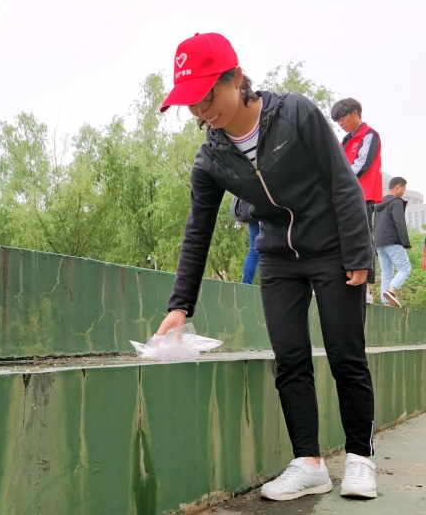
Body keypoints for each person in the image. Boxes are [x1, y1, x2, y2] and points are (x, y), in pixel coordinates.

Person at [157, 33, 377, 501]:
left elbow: (342, 180)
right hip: (277, 257)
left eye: (208, 96)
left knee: (346, 354)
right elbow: (198, 231)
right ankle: (309, 463)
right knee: (290, 360)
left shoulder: (295, 113)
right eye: (191, 104)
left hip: (333, 249)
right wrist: (179, 306)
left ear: (236, 78)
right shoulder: (211, 157)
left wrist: (359, 253)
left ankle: (360, 457)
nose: (202, 112)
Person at [331, 99, 382, 303]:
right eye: (337, 121)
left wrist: (339, 178)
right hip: (344, 197)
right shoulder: (345, 140)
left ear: (355, 113)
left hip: (363, 195)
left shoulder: (369, 135)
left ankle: (367, 288)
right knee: (342, 238)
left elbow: (362, 164)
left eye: (342, 118)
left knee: (364, 239)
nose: (340, 124)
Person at [374, 177, 412, 307]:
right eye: (403, 189)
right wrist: (406, 242)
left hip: (379, 243)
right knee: (405, 269)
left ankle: (386, 303)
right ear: (398, 187)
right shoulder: (396, 202)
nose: (403, 192)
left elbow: (375, 225)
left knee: (386, 273)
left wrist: (376, 244)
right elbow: (399, 222)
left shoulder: (379, 203)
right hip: (392, 241)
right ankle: (391, 291)